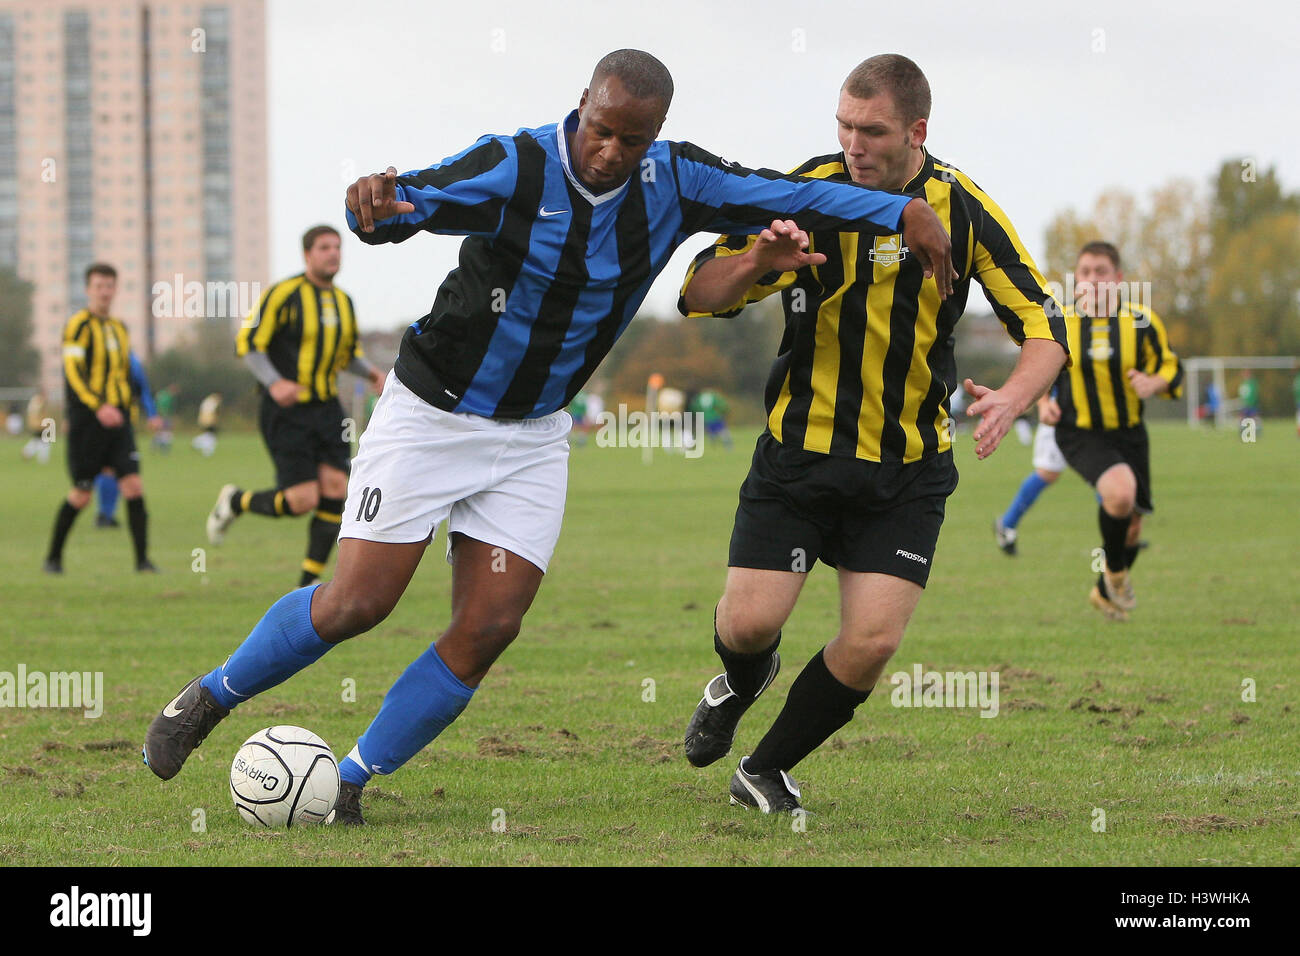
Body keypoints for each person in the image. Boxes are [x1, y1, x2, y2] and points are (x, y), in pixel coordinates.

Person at [142, 48, 957, 824]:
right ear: (582, 104)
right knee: (358, 602)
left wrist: (904, 209)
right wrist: (375, 209)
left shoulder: (678, 178)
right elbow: (410, 201)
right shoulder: (519, 163)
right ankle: (210, 695)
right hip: (434, 411)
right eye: (600, 129)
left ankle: (351, 782)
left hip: (532, 437)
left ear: (654, 135)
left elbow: (794, 193)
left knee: (491, 624)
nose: (609, 151)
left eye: (631, 139)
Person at [677, 54, 1068, 813]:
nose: (854, 143)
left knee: (874, 641)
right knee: (749, 624)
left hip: (907, 470)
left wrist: (1015, 397)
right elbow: (698, 292)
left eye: (873, 130)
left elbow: (1044, 326)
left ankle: (764, 768)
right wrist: (760, 259)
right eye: (844, 126)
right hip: (800, 454)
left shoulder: (964, 207)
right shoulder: (806, 190)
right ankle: (744, 677)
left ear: (917, 131)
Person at [204, 225, 385, 588]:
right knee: (302, 500)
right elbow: (250, 343)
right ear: (307, 255)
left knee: (336, 489)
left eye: (337, 247)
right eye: (324, 247)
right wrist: (276, 383)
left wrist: (372, 374)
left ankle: (307, 586)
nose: (332, 253)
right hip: (286, 411)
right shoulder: (283, 294)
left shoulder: (344, 302)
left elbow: (347, 355)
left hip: (327, 408)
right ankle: (236, 500)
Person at [1052, 241, 1182, 621]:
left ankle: (1102, 589)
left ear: (1119, 279)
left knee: (1133, 525)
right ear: (1077, 280)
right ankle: (1118, 578)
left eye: (1101, 271)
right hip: (1079, 432)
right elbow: (1040, 367)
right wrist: (1044, 403)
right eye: (1086, 272)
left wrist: (1154, 383)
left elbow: (1173, 368)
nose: (1093, 279)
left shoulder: (1142, 322)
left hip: (1129, 433)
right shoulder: (1060, 321)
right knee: (1121, 493)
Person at [44, 263, 159, 574]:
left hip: (118, 419)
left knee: (133, 485)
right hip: (89, 419)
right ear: (88, 289)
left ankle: (143, 562)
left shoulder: (119, 328)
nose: (105, 291)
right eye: (99, 286)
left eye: (110, 285)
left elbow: (128, 375)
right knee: (82, 493)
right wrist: (98, 407)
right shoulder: (78, 325)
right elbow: (73, 374)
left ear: (115, 289)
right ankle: (52, 559)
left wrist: (139, 410)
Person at [993, 390, 1065, 555]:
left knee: (1107, 473)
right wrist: (1044, 402)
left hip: (1099, 414)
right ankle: (1007, 524)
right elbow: (1045, 366)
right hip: (1061, 409)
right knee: (1047, 473)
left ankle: (1122, 535)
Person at [95, 349, 161, 527]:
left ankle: (105, 514)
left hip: (98, 420)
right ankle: (105, 514)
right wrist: (152, 414)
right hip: (118, 423)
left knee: (108, 469)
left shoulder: (99, 355)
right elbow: (143, 389)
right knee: (117, 470)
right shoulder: (130, 360)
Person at [22, 389, 50, 464]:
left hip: (36, 424)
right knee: (44, 440)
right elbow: (38, 412)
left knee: (38, 440)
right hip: (39, 424)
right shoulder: (39, 401)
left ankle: (27, 452)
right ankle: (41, 458)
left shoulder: (34, 401)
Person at [191, 392, 222, 456]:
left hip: (204, 419)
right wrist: (214, 420)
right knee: (210, 435)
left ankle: (198, 444)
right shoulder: (212, 402)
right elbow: (211, 412)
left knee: (208, 434)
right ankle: (200, 445)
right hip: (208, 420)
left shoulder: (207, 401)